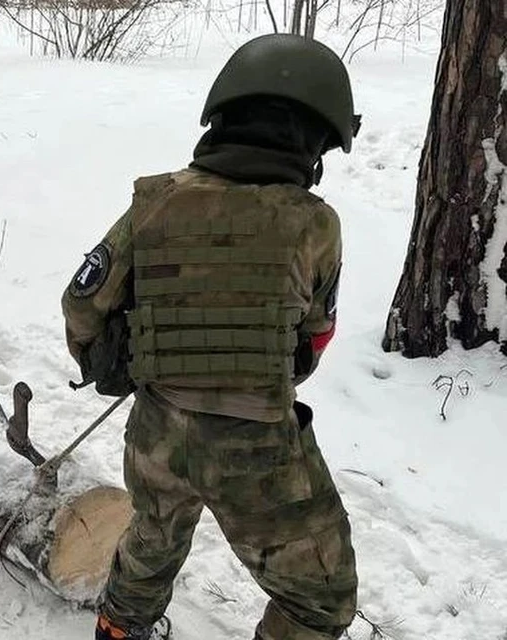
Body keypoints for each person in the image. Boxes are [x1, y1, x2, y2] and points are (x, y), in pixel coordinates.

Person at [61, 34, 362, 640]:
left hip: (157, 431)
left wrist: (116, 359)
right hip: (256, 449)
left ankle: (117, 632)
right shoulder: (315, 224)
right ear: (317, 139)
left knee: (152, 541)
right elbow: (313, 339)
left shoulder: (157, 202)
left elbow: (83, 302)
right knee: (319, 602)